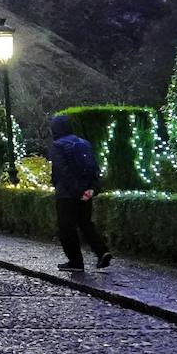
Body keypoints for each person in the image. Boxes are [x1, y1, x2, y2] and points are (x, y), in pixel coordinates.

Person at [49, 114, 113, 271]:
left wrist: (77, 191)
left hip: (67, 194)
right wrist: (90, 189)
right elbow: (93, 168)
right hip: (86, 192)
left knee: (66, 228)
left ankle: (75, 261)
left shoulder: (57, 145)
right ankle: (102, 251)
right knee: (85, 224)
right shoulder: (84, 143)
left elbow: (63, 172)